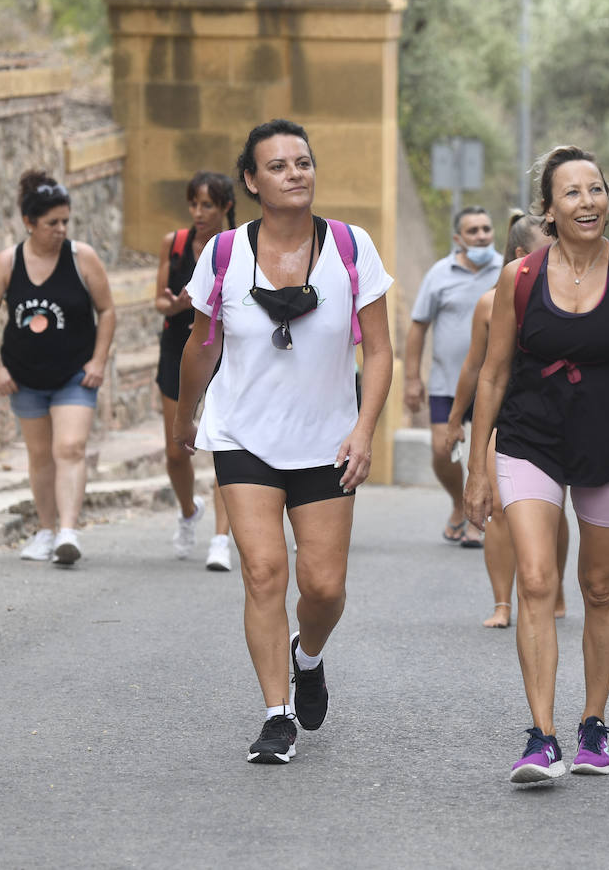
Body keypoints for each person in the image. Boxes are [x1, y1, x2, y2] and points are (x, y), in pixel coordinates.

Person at [172, 119, 394, 764]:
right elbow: (200, 345)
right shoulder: (223, 256)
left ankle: (309, 654)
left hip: (328, 440)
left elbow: (377, 350)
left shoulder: (352, 248)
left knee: (323, 587)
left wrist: (364, 428)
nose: (295, 173)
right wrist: (187, 418)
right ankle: (277, 714)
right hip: (244, 435)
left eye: (303, 162)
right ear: (251, 180)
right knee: (265, 572)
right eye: (278, 166)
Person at [463, 145, 609, 784]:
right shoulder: (520, 277)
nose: (587, 202)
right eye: (572, 193)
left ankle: (592, 722)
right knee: (536, 579)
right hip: (530, 436)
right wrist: (478, 468)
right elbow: (495, 372)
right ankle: (542, 736)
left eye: (596, 190)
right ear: (549, 209)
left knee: (599, 586)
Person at [0, 171, 116, 567]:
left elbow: (106, 310)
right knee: (40, 456)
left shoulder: (81, 257)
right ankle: (45, 530)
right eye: (52, 223)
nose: (61, 229)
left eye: (65, 221)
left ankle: (68, 532)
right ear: (29, 223)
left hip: (75, 374)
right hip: (25, 377)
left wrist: (98, 360)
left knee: (70, 447)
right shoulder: (8, 263)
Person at [443, 210, 570, 628]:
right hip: (502, 412)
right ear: (520, 254)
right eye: (547, 246)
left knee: (554, 507)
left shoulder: (571, 293)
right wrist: (454, 418)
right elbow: (474, 368)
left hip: (555, 411)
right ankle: (502, 602)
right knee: (498, 505)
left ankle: (555, 588)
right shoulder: (491, 301)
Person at [405, 206, 503, 549]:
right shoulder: (439, 274)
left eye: (486, 229)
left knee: (487, 455)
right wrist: (412, 379)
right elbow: (418, 326)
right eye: (473, 231)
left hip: (493, 381)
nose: (481, 236)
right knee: (441, 450)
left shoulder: (505, 270)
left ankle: (478, 521)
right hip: (446, 382)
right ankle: (459, 504)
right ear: (458, 238)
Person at [155, 171, 235, 570]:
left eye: (207, 205)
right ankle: (189, 511)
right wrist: (178, 305)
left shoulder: (238, 248)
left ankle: (220, 539)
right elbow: (160, 302)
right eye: (193, 204)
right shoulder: (176, 244)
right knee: (175, 451)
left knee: (223, 446)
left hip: (223, 351)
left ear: (226, 207)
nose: (198, 212)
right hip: (176, 349)